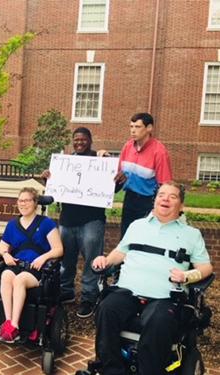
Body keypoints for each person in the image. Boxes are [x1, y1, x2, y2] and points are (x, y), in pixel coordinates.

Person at [92, 181, 212, 375]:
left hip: (165, 297)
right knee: (106, 309)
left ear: (181, 205)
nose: (165, 199)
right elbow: (120, 252)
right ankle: (112, 370)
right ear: (155, 200)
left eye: (172, 196)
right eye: (161, 195)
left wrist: (187, 275)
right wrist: (105, 260)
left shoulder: (192, 234)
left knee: (158, 321)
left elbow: (206, 267)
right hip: (128, 291)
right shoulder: (137, 226)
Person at [42, 127, 106, 318]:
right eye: (76, 140)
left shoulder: (100, 161)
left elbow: (112, 186)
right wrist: (48, 180)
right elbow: (54, 193)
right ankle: (66, 291)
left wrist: (118, 179)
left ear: (90, 140)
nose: (79, 142)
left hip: (92, 220)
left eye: (83, 139)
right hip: (67, 220)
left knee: (91, 261)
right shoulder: (65, 164)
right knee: (65, 260)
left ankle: (89, 297)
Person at [0, 187, 63, 343]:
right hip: (17, 264)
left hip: (36, 268)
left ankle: (15, 326)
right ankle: (8, 323)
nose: (23, 204)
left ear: (35, 203)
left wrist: (44, 257)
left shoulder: (46, 223)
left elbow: (59, 249)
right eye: (20, 200)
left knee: (19, 280)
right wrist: (6, 254)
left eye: (27, 200)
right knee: (6, 275)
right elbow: (2, 245)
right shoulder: (13, 224)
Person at [104, 113, 172, 238]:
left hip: (148, 202)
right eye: (131, 126)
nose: (133, 130)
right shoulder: (128, 146)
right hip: (129, 199)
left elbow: (165, 184)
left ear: (149, 128)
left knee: (143, 239)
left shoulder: (159, 151)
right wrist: (106, 160)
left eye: (137, 127)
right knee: (126, 237)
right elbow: (119, 173)